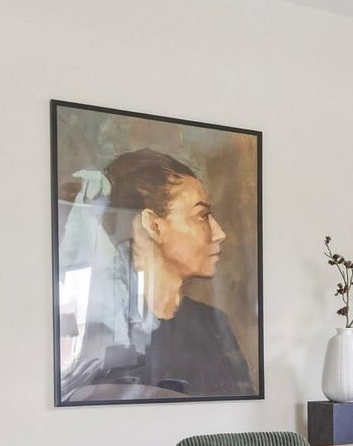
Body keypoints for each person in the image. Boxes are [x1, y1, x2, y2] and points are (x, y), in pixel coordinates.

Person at [57, 148, 255, 400]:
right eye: (202, 216)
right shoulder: (101, 326)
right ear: (153, 224)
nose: (219, 233)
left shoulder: (212, 323)